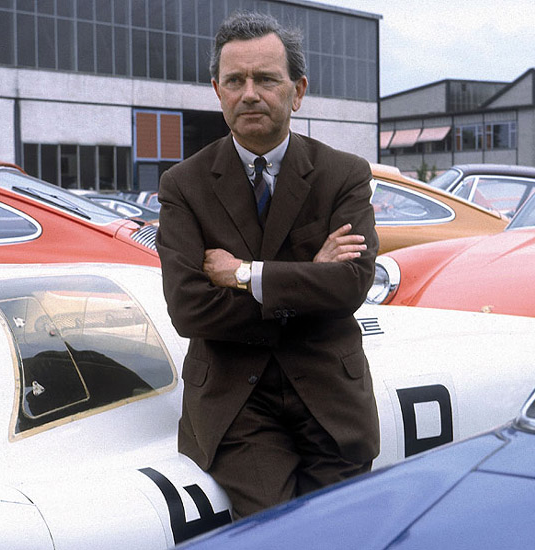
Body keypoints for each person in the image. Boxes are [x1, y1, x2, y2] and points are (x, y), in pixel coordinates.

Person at [155, 11, 380, 519]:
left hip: (330, 396)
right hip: (236, 403)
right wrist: (307, 280)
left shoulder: (343, 174)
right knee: (272, 531)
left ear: (297, 91)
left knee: (342, 528)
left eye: (266, 80)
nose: (250, 93)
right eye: (235, 80)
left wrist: (245, 275)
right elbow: (190, 309)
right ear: (217, 90)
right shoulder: (184, 186)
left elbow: (349, 285)